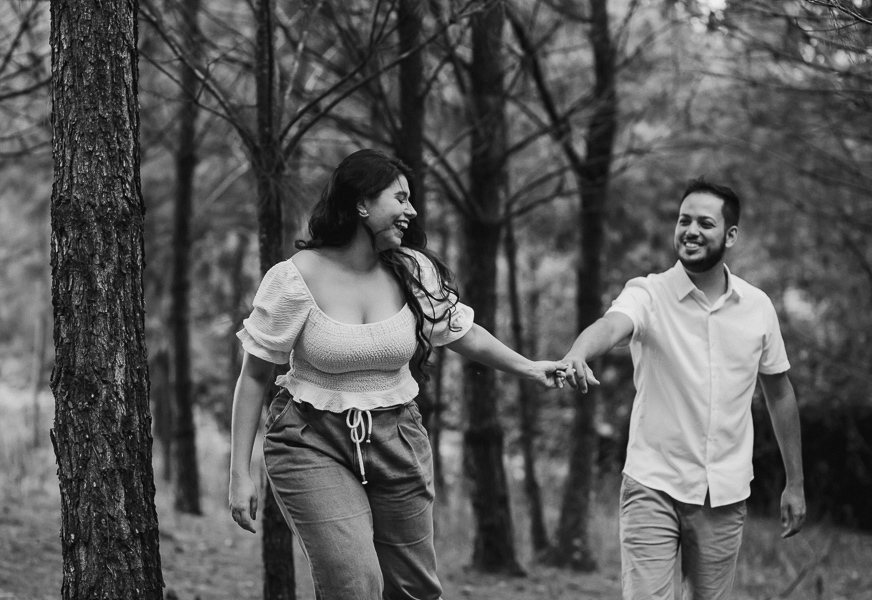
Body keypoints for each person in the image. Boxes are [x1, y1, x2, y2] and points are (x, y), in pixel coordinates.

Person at [229, 149, 567, 600]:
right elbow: (254, 375)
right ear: (362, 203)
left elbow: (461, 331)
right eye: (400, 198)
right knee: (355, 583)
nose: (410, 211)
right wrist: (239, 473)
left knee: (414, 590)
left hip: (397, 439)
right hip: (309, 440)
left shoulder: (413, 271)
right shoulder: (294, 279)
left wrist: (529, 367)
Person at [561, 178, 806, 599]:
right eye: (683, 220)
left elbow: (780, 393)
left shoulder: (758, 308)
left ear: (730, 235)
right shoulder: (649, 294)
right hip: (652, 484)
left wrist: (796, 483)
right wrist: (579, 352)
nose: (690, 230)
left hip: (724, 494)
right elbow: (611, 324)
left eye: (704, 223)